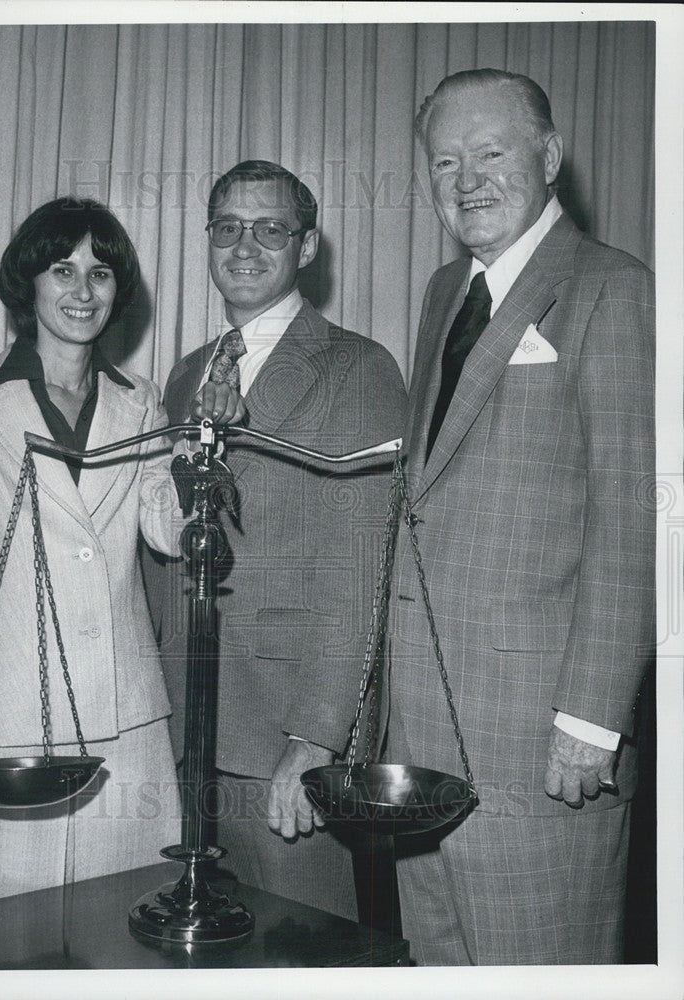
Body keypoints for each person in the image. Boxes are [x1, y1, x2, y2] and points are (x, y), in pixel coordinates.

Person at [0, 197, 242, 914]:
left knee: (118, 925)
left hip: (125, 717)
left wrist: (200, 449)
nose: (83, 292)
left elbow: (164, 528)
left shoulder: (142, 402)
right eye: (63, 270)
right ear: (28, 283)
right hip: (3, 720)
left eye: (100, 273)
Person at [387, 69, 655, 964]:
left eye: (490, 154)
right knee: (437, 960)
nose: (466, 181)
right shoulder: (441, 293)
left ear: (548, 158)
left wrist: (589, 719)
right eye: (444, 162)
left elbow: (636, 519)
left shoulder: (614, 289)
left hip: (537, 731)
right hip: (422, 727)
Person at [144, 160, 407, 919]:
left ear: (308, 245)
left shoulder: (356, 368)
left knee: (301, 947)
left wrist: (317, 740)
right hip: (191, 720)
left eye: (270, 228)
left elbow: (362, 567)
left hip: (286, 734)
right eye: (227, 227)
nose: (244, 245)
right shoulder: (190, 372)